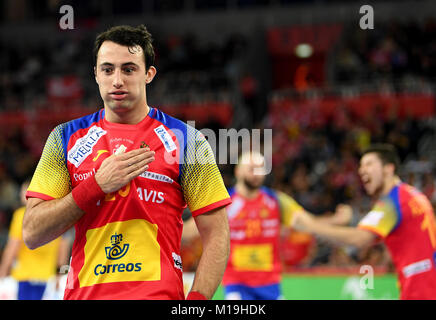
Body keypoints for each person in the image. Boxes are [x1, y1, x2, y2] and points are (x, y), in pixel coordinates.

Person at [22, 25, 231, 300]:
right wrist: (95, 186)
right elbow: (32, 233)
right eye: (108, 70)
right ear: (95, 74)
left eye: (129, 69)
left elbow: (218, 235)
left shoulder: (187, 140)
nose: (117, 80)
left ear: (149, 74)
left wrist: (197, 301)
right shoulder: (64, 138)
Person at [182, 151, 349, 300]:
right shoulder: (224, 204)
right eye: (251, 167)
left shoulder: (277, 201)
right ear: (238, 171)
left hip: (270, 284)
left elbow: (308, 224)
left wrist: (336, 220)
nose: (256, 173)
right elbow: (190, 231)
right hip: (237, 284)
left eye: (261, 168)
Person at [293, 143, 436, 300]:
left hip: (422, 291)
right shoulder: (411, 195)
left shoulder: (394, 202)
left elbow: (359, 238)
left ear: (389, 168)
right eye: (360, 166)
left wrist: (310, 225)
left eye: (369, 164)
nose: (361, 170)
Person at [0, 180, 70, 300]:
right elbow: (63, 250)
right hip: (49, 279)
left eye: (25, 192)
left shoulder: (21, 215)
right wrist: (61, 276)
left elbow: (13, 248)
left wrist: (2, 273)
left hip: (25, 278)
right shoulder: (56, 214)